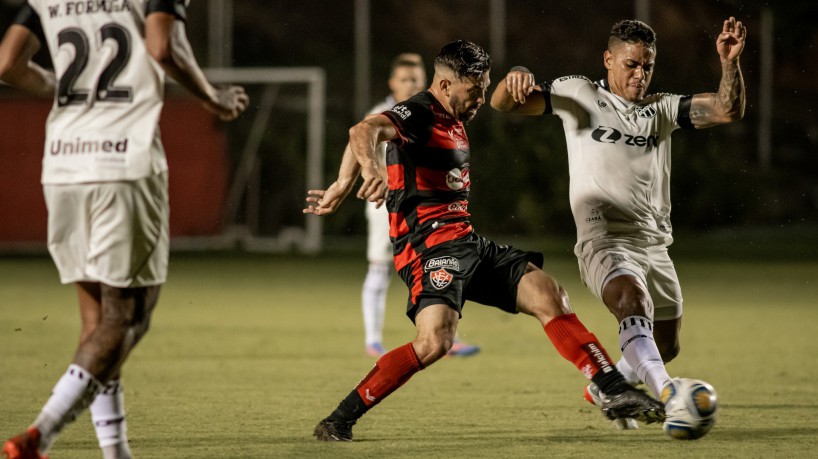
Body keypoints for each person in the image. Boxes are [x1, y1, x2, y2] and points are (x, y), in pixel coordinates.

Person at [304, 40, 664, 442]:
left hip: (465, 241)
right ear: (444, 86)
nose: (479, 99)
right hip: (428, 249)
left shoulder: (451, 114)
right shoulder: (421, 112)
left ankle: (613, 389)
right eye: (473, 90)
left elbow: (368, 134)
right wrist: (365, 171)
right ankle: (339, 419)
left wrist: (341, 181)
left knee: (549, 294)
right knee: (435, 341)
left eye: (483, 87)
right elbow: (365, 129)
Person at [0, 1, 248, 458]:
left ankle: (116, 452)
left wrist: (59, 87)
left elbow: (8, 63)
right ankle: (39, 435)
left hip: (62, 162)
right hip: (123, 162)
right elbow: (163, 45)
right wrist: (212, 96)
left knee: (97, 324)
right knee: (128, 316)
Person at [491, 18, 745, 428]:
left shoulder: (661, 108)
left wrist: (729, 64)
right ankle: (669, 396)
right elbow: (504, 104)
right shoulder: (580, 93)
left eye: (647, 66)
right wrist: (515, 77)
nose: (639, 74)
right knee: (632, 303)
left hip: (655, 244)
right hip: (604, 238)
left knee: (666, 343)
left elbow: (726, 109)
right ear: (608, 60)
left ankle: (603, 388)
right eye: (630, 64)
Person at [361, 52, 479, 358]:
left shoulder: (432, 112)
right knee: (379, 268)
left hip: (427, 209)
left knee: (442, 263)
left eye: (414, 78)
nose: (410, 84)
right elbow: (361, 143)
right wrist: (372, 177)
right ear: (392, 82)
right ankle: (373, 339)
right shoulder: (382, 113)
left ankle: (446, 334)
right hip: (386, 205)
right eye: (404, 79)